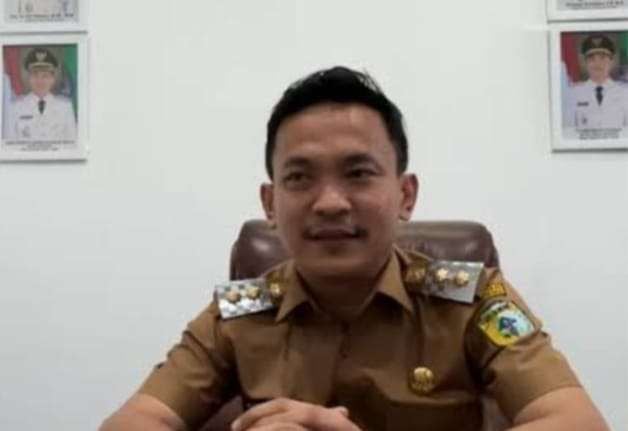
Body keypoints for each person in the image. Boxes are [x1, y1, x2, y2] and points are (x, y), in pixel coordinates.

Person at [101, 66, 609, 431]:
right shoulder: (236, 315)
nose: (329, 203)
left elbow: (578, 421)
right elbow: (135, 420)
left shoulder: (473, 301)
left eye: (358, 173)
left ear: (405, 195)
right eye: (299, 178)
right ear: (271, 203)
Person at [4, 47, 77, 142]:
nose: (40, 81)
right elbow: (9, 146)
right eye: (35, 75)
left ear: (53, 79)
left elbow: (72, 144)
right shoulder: (15, 108)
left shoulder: (65, 107)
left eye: (45, 76)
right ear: (29, 78)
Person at [563, 34, 628, 140]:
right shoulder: (573, 94)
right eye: (591, 59)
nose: (597, 63)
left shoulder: (625, 93)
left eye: (603, 58)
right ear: (585, 63)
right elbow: (568, 134)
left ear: (611, 62)